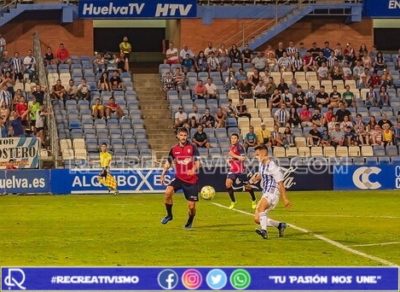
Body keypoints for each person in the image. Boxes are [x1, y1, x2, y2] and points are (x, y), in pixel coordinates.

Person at [160, 127, 200, 229]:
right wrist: (163, 174)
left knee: (191, 207)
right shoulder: (174, 149)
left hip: (191, 181)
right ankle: (169, 215)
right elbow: (168, 162)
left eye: (185, 135)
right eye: (181, 135)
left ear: (187, 136)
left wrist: (193, 169)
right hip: (179, 178)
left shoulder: (193, 147)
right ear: (177, 136)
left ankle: (190, 221)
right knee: (167, 193)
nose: (183, 137)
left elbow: (198, 163)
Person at [251, 144, 291, 239]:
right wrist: (253, 180)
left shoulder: (272, 166)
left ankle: (264, 231)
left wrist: (285, 199)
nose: (256, 156)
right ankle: (280, 225)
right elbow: (261, 175)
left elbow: (281, 183)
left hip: (272, 193)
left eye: (258, 153)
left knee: (261, 209)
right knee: (257, 219)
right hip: (266, 193)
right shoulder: (261, 164)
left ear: (264, 152)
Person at [226, 133, 257, 210]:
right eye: (232, 138)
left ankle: (253, 200)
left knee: (247, 187)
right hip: (233, 169)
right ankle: (233, 201)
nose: (233, 140)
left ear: (238, 139)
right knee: (228, 184)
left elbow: (243, 158)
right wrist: (230, 159)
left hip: (240, 170)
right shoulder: (231, 147)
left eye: (235, 138)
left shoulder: (240, 147)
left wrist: (233, 155)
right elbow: (234, 157)